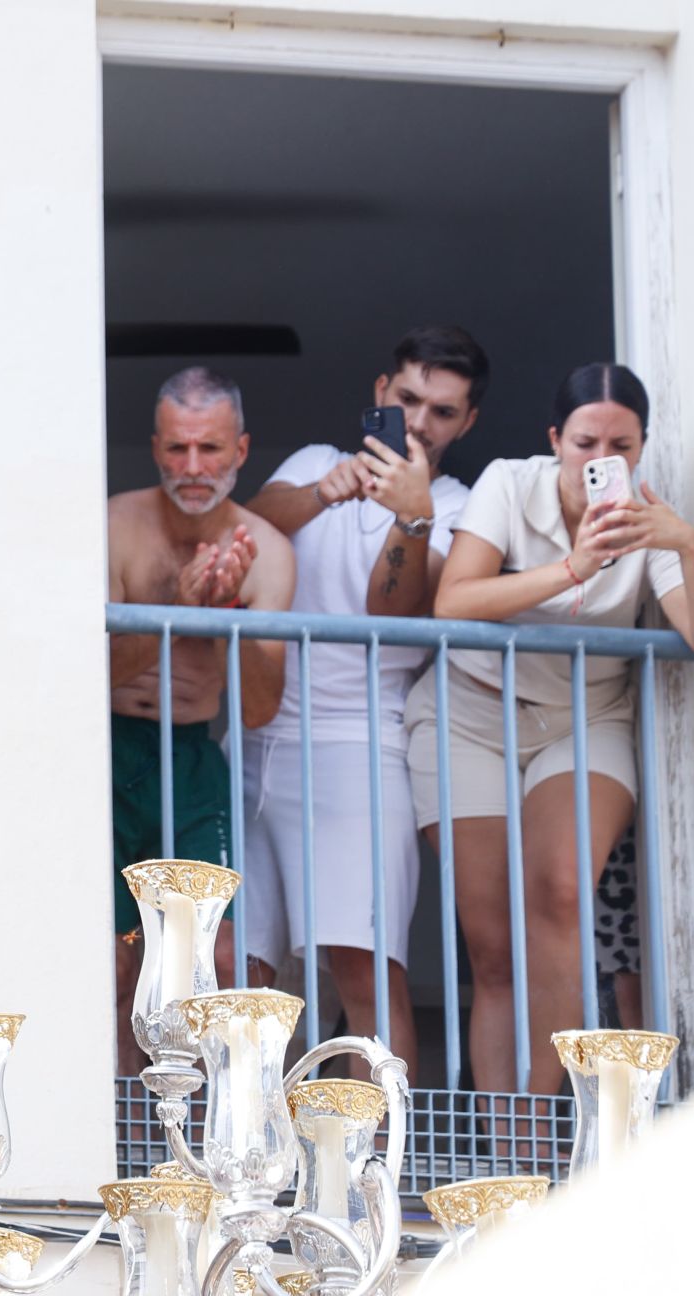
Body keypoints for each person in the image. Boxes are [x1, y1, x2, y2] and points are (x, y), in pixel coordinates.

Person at [407, 361, 694, 1101]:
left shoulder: (648, 516)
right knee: (493, 951)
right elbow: (453, 604)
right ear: (556, 439)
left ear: (641, 446)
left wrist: (683, 541)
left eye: (620, 444)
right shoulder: (507, 482)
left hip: (586, 721)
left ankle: (562, 1125)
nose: (601, 460)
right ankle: (515, 1153)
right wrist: (573, 566)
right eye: (586, 441)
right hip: (469, 715)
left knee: (559, 892)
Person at [241, 325, 489, 1079]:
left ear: (467, 423)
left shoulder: (456, 503)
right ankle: (241, 1166)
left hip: (363, 747)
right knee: (236, 976)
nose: (418, 422)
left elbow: (397, 611)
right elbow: (246, 527)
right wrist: (325, 492)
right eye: (408, 399)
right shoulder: (318, 462)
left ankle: (375, 1176)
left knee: (365, 976)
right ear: (380, 393)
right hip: (254, 740)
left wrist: (409, 516)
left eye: (442, 411)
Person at [109, 366, 295, 1072]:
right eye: (178, 449)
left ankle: (209, 1142)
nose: (193, 468)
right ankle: (121, 1140)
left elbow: (258, 707)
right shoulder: (114, 525)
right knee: (116, 957)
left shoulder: (267, 551)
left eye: (210, 450)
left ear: (241, 451)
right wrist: (168, 614)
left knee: (211, 952)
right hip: (111, 747)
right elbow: (87, 679)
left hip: (192, 754)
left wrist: (220, 623)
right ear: (156, 448)